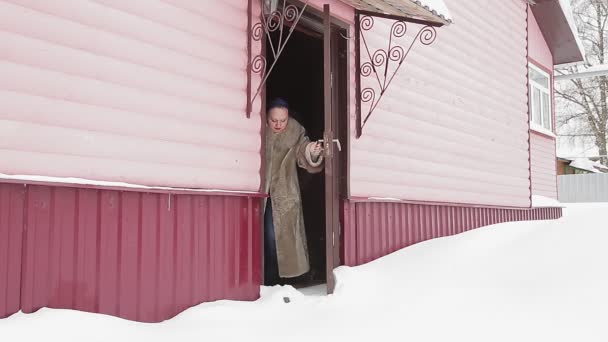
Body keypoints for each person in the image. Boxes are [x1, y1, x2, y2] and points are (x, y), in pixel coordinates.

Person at [263, 98, 324, 285]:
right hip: (262, 193)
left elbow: (302, 151)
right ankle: (266, 278)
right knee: (265, 238)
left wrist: (312, 151)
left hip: (285, 193)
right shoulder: (256, 128)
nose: (279, 124)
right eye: (274, 120)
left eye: (283, 120)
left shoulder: (295, 131)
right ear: (266, 117)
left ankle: (280, 281)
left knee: (280, 239)